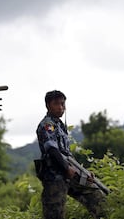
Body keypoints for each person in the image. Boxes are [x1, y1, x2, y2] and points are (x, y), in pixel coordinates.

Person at [36, 90, 106, 219]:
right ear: (48, 105)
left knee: (98, 199)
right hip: (55, 176)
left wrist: (83, 172)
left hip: (70, 173)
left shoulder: (60, 126)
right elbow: (52, 150)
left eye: (63, 104)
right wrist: (67, 168)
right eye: (56, 104)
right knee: (54, 214)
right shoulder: (47, 125)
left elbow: (67, 154)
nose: (61, 107)